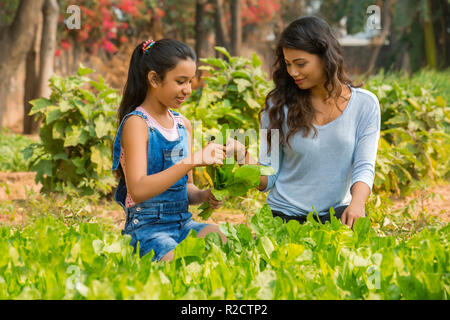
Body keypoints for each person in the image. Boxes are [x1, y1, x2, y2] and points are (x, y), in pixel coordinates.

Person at [226, 16, 381, 229]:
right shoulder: (277, 105)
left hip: (336, 217)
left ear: (325, 57)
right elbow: (268, 179)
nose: (292, 72)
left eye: (300, 64)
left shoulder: (365, 104)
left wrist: (357, 203)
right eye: (288, 64)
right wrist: (242, 156)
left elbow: (364, 167)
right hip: (283, 217)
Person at [112, 39, 227, 262]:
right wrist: (191, 161)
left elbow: (186, 188)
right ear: (154, 79)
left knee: (231, 244)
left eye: (191, 82)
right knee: (181, 263)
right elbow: (138, 189)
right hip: (147, 230)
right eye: (180, 81)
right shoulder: (137, 124)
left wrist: (205, 196)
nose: (188, 90)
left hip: (184, 224)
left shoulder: (183, 124)